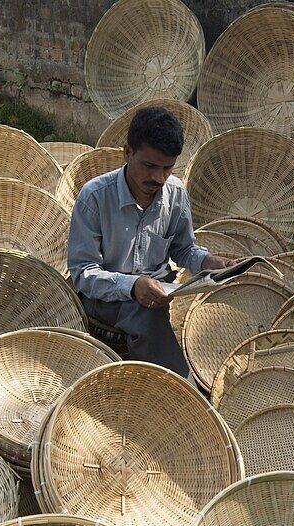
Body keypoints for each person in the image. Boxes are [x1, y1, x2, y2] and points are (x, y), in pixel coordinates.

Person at [67, 106, 235, 376]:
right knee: (145, 314)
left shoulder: (175, 192)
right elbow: (83, 274)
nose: (158, 177)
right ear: (127, 152)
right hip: (106, 297)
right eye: (149, 166)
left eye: (167, 168)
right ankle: (180, 387)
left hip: (161, 290)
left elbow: (183, 248)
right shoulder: (94, 197)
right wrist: (133, 286)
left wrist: (205, 260)